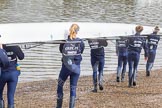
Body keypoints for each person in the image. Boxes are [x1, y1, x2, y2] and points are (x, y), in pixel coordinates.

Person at [56, 24, 85, 108]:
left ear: (70, 30)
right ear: (77, 31)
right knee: (73, 88)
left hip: (66, 68)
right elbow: (81, 51)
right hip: (76, 68)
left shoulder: (64, 41)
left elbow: (61, 50)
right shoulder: (80, 42)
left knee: (60, 85)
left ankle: (58, 106)